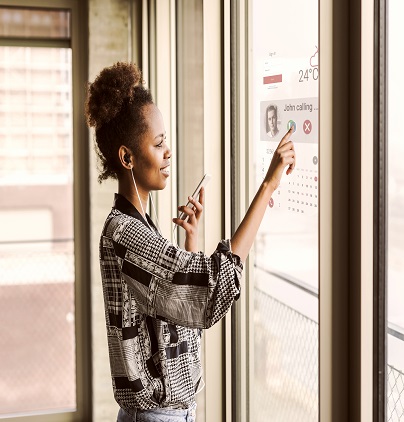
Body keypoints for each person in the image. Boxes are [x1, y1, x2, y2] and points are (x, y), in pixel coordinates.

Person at [85, 62, 295, 422]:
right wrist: (268, 186)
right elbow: (210, 288)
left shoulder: (140, 228)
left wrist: (192, 239)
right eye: (159, 143)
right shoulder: (125, 234)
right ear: (127, 157)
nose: (168, 152)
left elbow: (182, 311)